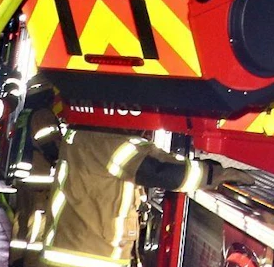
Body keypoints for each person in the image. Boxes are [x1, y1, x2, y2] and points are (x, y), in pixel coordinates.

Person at [22, 97, 243, 267]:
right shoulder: (115, 144)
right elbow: (163, 171)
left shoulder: (82, 134)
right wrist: (215, 174)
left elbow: (153, 158)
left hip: (66, 249)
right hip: (91, 256)